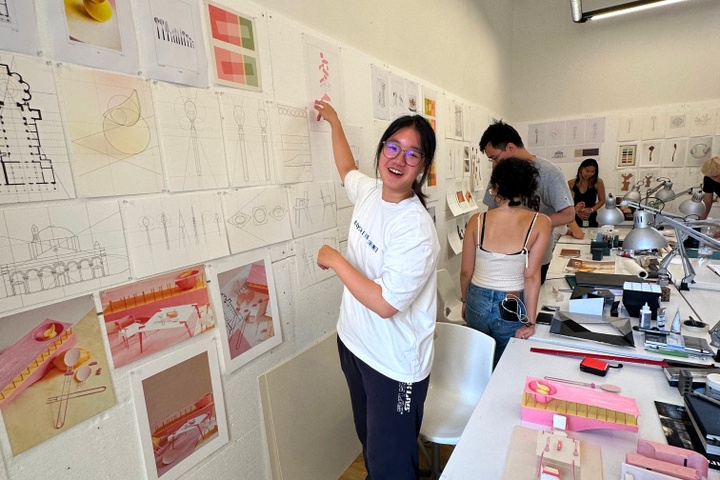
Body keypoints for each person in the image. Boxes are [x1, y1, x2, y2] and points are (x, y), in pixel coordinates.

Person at [314, 100, 440, 480]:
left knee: (393, 465)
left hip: (394, 363)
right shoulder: (370, 192)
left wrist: (336, 260)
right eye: (393, 147)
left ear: (423, 167)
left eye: (413, 154)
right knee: (372, 446)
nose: (399, 159)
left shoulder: (415, 229)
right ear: (382, 149)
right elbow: (346, 168)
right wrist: (334, 121)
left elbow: (385, 304)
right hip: (354, 343)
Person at [460, 158, 551, 365]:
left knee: (478, 362)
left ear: (495, 187)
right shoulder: (540, 223)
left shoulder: (477, 220)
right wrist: (530, 321)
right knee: (506, 364)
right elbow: (531, 276)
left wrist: (465, 301)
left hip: (477, 298)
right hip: (511, 303)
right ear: (529, 188)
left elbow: (466, 271)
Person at [479, 121, 574, 284]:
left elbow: (568, 214)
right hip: (505, 257)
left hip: (535, 257)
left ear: (510, 148)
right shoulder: (500, 172)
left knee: (531, 303)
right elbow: (491, 212)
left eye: (495, 158)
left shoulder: (550, 173)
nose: (495, 164)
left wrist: (533, 226)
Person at [568, 158, 606, 228]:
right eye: (587, 171)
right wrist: (577, 212)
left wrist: (591, 210)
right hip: (574, 218)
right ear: (581, 169)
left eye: (592, 172)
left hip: (590, 217)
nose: (589, 174)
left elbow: (602, 200)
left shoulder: (598, 182)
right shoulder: (571, 183)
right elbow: (568, 204)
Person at [700, 156, 720, 220]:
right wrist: (699, 223)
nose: (718, 179)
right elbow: (707, 202)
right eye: (714, 177)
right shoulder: (709, 179)